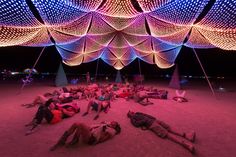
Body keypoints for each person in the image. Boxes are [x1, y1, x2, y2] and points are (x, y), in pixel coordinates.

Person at [127, 111, 196, 153]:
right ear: (129, 115)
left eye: (131, 111)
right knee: (167, 134)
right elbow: (136, 125)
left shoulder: (137, 112)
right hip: (151, 125)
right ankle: (186, 145)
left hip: (154, 120)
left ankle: (186, 136)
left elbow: (145, 114)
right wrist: (144, 120)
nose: (132, 112)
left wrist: (153, 118)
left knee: (169, 128)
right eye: (130, 113)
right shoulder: (132, 119)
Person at [50, 121, 121, 151]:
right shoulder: (106, 124)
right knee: (76, 124)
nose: (112, 122)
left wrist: (97, 141)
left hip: (92, 138)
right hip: (90, 132)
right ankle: (62, 141)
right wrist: (103, 124)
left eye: (114, 123)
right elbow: (96, 126)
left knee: (80, 125)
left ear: (115, 126)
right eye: (113, 121)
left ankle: (75, 140)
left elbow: (106, 137)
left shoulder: (112, 131)